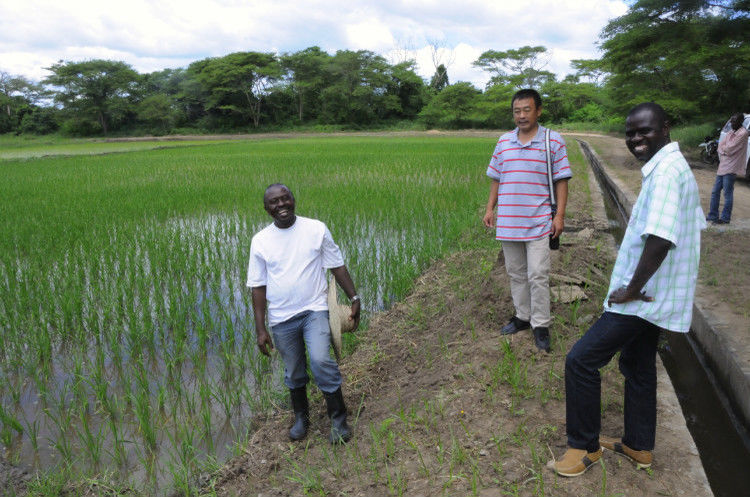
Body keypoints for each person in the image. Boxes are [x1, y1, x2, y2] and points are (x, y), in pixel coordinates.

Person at [551, 103, 706, 477]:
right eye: (631, 132)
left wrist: (632, 289)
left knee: (581, 360)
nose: (636, 138)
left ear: (665, 128)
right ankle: (639, 445)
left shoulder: (667, 172)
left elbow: (661, 239)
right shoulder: (668, 166)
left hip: (643, 299)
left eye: (645, 131)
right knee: (637, 367)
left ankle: (583, 447)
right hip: (658, 295)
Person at [247, 183, 361, 443]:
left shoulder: (315, 229)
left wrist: (354, 297)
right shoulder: (260, 241)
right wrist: (261, 328)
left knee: (321, 360)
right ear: (267, 209)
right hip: (281, 318)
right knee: (294, 370)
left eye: (285, 199)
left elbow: (337, 265)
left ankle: (338, 418)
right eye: (274, 202)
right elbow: (257, 286)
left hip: (314, 309)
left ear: (293, 200)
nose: (281, 205)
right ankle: (301, 417)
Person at [482, 88, 571, 352]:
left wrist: (560, 216)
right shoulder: (503, 142)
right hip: (509, 221)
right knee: (516, 273)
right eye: (517, 111)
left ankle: (541, 324)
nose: (521, 116)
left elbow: (562, 180)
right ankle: (522, 316)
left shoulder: (552, 141)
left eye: (526, 110)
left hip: (539, 222)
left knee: (538, 275)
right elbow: (496, 178)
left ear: (538, 111)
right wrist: (490, 209)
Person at [707, 112, 748, 224]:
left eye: (734, 121)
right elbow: (720, 146)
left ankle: (725, 218)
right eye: (731, 120)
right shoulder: (731, 132)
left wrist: (724, 150)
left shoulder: (743, 133)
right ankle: (712, 215)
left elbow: (730, 149)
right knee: (715, 192)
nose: (731, 123)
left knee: (727, 193)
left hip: (732, 167)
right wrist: (724, 150)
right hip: (723, 165)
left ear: (740, 122)